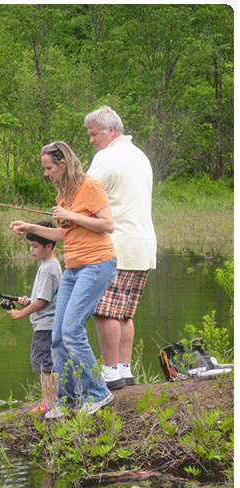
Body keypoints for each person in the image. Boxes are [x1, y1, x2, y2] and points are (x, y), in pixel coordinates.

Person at [10, 141, 117, 419]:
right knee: (57, 338)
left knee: (71, 330)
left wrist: (70, 216)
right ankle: (67, 402)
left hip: (97, 264)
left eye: (49, 167)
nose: (46, 173)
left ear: (63, 164)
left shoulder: (90, 187)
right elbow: (66, 235)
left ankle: (99, 393)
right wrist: (32, 227)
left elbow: (108, 225)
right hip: (73, 268)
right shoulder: (63, 196)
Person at [84, 106, 157, 390]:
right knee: (125, 313)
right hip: (143, 246)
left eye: (93, 134)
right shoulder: (140, 155)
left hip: (117, 246)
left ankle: (110, 373)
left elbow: (85, 194)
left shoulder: (107, 156)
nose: (91, 140)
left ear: (110, 130)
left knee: (105, 311)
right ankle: (124, 370)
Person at [7, 221, 62, 415]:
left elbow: (43, 301)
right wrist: (28, 301)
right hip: (48, 324)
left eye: (35, 246)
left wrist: (21, 313)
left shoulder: (48, 269)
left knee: (45, 366)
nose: (31, 250)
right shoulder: (49, 265)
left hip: (46, 326)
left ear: (49, 245)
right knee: (46, 365)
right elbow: (41, 297)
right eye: (30, 246)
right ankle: (49, 401)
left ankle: (50, 403)